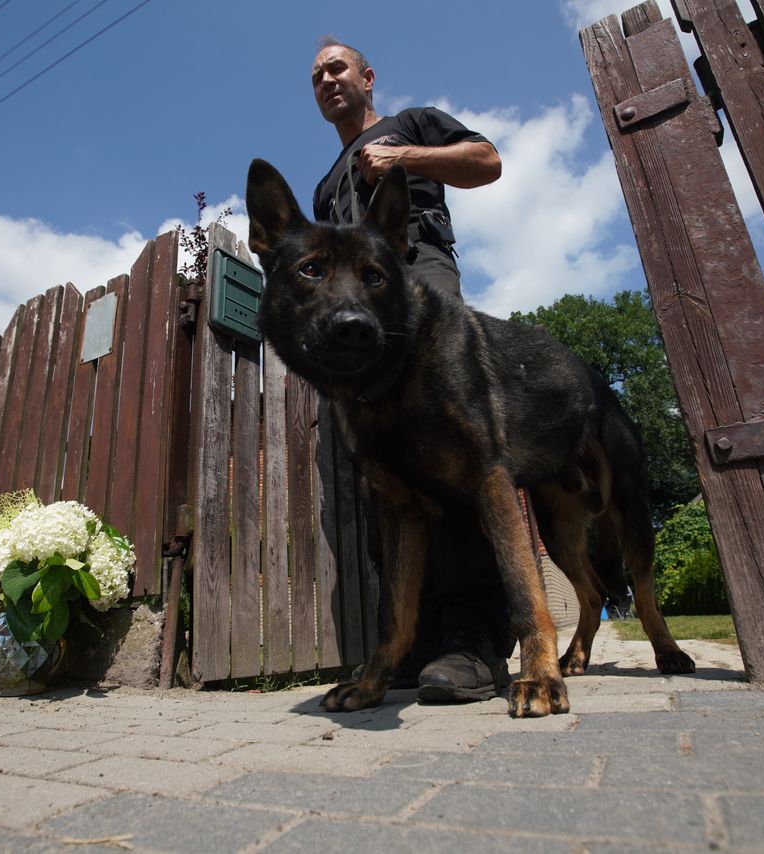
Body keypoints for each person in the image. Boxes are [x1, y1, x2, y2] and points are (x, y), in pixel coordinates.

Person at [309, 36, 514, 703]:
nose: (326, 80)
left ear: (368, 77)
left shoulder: (413, 123)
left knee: (447, 454)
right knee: (384, 474)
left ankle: (473, 639)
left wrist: (403, 157)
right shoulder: (322, 185)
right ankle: (413, 643)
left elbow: (487, 162)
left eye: (336, 68)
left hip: (419, 284)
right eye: (316, 76)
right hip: (356, 317)